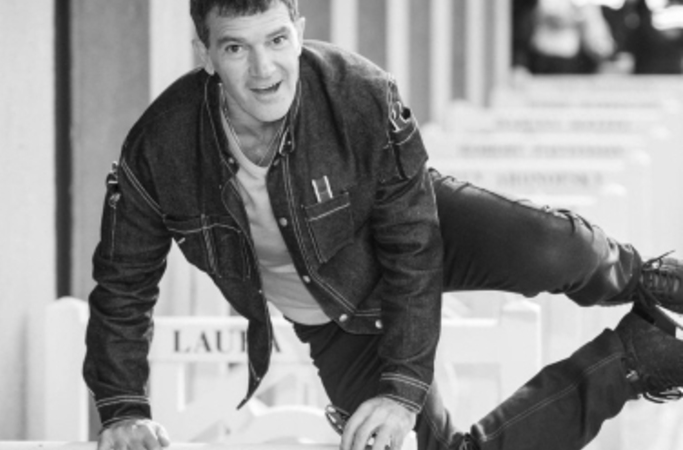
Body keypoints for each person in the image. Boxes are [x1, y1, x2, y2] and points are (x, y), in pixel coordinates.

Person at [83, 1, 683, 449]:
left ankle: (649, 279)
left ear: (299, 31)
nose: (264, 69)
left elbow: (413, 245)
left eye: (277, 39)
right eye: (236, 48)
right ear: (206, 54)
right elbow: (122, 286)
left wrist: (402, 388)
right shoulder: (159, 147)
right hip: (331, 310)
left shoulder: (358, 93)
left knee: (558, 250)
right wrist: (123, 407)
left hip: (413, 224)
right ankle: (636, 359)